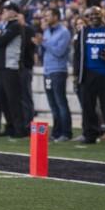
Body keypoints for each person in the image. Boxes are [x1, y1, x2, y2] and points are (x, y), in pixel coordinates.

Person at [72, 7, 105, 144]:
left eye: (96, 14)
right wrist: (76, 74)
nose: (93, 17)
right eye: (90, 15)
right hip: (87, 74)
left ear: (102, 15)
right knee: (88, 107)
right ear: (86, 18)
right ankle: (90, 135)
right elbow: (77, 55)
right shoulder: (82, 32)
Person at [0, 3, 26, 137]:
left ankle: (19, 128)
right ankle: (10, 126)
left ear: (14, 12)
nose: (3, 12)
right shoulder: (6, 26)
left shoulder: (15, 26)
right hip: (3, 67)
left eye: (6, 10)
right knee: (3, 99)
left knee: (13, 99)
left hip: (11, 66)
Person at [37, 8, 72, 142]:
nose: (46, 17)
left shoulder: (64, 32)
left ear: (56, 16)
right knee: (53, 104)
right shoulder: (46, 31)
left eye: (48, 15)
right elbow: (44, 52)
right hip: (47, 71)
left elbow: (59, 52)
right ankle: (56, 132)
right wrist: (39, 45)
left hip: (58, 70)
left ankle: (66, 132)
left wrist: (44, 43)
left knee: (60, 102)